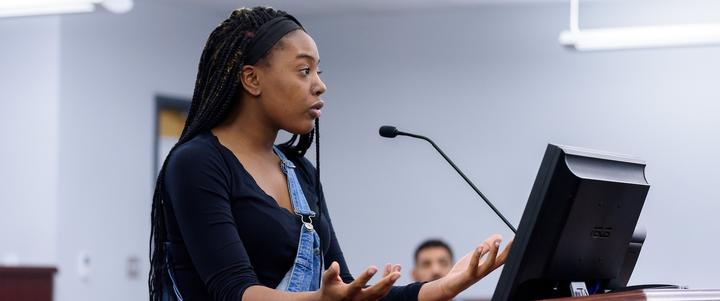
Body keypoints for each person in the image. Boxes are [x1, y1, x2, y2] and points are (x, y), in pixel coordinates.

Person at [148, 7, 511, 301]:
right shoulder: (197, 163)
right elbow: (234, 291)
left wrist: (447, 284)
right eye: (304, 70)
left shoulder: (299, 172)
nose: (320, 84)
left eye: (318, 72)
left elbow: (348, 289)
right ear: (252, 79)